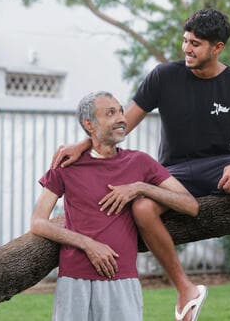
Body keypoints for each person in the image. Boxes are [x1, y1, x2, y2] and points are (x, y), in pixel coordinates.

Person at [52, 9, 230, 319]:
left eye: (196, 44)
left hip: (221, 164)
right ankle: (185, 288)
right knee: (142, 208)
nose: (187, 49)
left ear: (218, 47)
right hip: (173, 171)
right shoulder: (163, 77)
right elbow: (123, 125)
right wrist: (84, 143)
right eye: (185, 41)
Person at [31, 91, 205, 321]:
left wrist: (141, 188)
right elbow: (38, 222)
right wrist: (88, 244)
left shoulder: (140, 162)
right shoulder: (66, 165)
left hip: (122, 278)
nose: (121, 118)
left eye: (121, 111)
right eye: (110, 113)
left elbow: (190, 205)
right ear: (89, 124)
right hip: (75, 279)